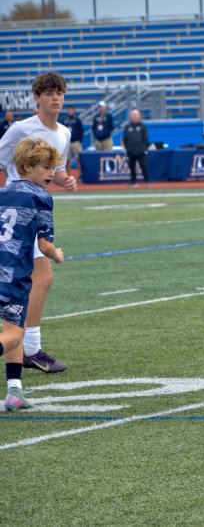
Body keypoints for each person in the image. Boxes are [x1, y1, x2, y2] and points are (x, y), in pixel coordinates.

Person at [0, 71, 77, 374]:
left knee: (37, 281)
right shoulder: (21, 129)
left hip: (35, 211)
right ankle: (29, 349)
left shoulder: (64, 132)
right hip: (21, 213)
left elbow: (53, 170)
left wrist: (64, 179)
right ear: (37, 98)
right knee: (40, 279)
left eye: (59, 93)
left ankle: (26, 349)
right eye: (48, 93)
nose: (55, 98)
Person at [1, 138, 65, 410]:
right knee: (15, 334)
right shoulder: (40, 197)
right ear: (27, 166)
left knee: (10, 327)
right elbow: (44, 245)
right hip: (12, 272)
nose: (51, 173)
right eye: (46, 166)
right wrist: (57, 255)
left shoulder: (3, 191)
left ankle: (15, 392)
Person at [122, 109, 150, 187]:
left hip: (140, 151)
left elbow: (145, 138)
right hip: (131, 151)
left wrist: (143, 147)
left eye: (136, 115)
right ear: (131, 116)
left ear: (139, 116)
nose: (134, 117)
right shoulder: (127, 126)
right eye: (133, 115)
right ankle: (133, 182)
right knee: (132, 167)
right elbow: (125, 138)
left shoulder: (142, 126)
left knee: (143, 166)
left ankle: (147, 181)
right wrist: (127, 148)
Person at [62, 105, 84, 170]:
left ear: (73, 111)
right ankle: (67, 176)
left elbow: (81, 130)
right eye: (69, 110)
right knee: (67, 160)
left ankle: (80, 175)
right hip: (67, 143)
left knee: (79, 159)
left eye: (71, 110)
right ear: (67, 111)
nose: (70, 111)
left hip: (76, 142)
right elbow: (62, 131)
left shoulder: (77, 120)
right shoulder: (64, 121)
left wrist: (79, 140)